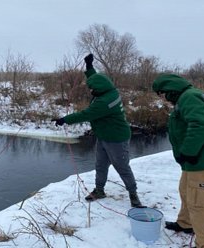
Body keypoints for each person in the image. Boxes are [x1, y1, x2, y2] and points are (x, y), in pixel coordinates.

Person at [152, 74, 204, 248]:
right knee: (185, 189)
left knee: (199, 202)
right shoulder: (189, 96)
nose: (162, 99)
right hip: (199, 159)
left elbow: (201, 124)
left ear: (170, 90)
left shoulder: (189, 97)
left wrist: (189, 151)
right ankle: (186, 223)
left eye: (161, 94)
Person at [52, 54, 143, 208]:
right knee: (100, 165)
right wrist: (89, 65)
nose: (91, 90)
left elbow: (85, 114)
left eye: (92, 88)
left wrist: (64, 120)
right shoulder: (107, 90)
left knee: (122, 167)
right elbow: (95, 78)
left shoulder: (105, 102)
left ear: (100, 89)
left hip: (116, 138)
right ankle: (99, 190)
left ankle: (133, 194)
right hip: (103, 136)